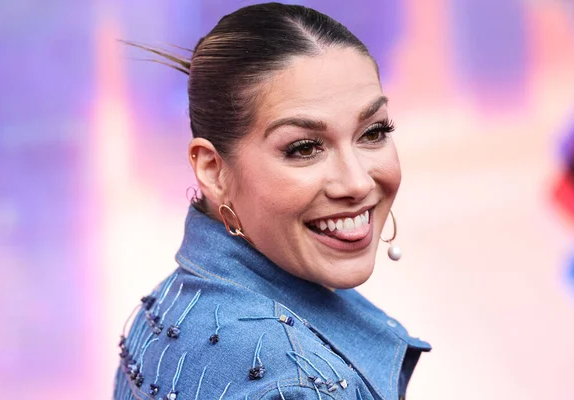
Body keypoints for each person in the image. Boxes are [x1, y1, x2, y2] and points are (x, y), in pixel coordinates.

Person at [114, 3, 431, 399]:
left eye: (373, 132)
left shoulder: (166, 306)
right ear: (213, 170)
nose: (357, 182)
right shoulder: (295, 383)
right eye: (304, 148)